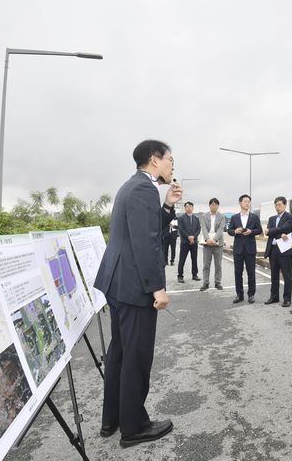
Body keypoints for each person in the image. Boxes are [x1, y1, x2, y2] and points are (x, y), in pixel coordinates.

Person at [94, 139, 182, 448]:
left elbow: (144, 228)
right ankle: (134, 427)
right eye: (170, 159)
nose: (173, 165)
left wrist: (168, 205)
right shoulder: (144, 189)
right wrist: (157, 288)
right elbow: (147, 242)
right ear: (155, 160)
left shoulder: (131, 186)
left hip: (118, 284)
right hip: (134, 287)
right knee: (136, 357)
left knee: (119, 354)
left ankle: (113, 419)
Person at [228, 194, 262, 303]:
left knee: (251, 272)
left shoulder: (254, 217)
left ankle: (251, 294)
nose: (247, 203)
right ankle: (239, 295)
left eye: (249, 202)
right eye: (245, 201)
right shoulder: (234, 217)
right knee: (238, 273)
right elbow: (229, 230)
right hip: (238, 248)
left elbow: (259, 230)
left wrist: (251, 232)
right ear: (240, 203)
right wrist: (235, 232)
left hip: (250, 248)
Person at [263, 196, 292, 307]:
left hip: (284, 250)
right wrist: (279, 234)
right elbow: (268, 233)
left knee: (287, 275)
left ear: (285, 205)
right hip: (273, 250)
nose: (278, 207)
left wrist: (272, 231)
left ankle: (287, 299)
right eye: (276, 205)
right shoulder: (272, 218)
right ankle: (274, 297)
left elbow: (287, 228)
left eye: (280, 205)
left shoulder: (290, 217)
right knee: (274, 275)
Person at [199, 198, 227, 291]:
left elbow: (221, 229)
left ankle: (217, 283)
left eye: (216, 204)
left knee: (218, 264)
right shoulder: (204, 216)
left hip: (218, 243)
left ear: (218, 206)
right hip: (207, 243)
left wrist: (215, 239)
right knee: (206, 264)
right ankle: (205, 283)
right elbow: (203, 228)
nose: (214, 206)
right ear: (209, 205)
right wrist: (207, 239)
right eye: (212, 204)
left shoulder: (222, 216)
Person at [177, 202, 201, 283]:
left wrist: (193, 237)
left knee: (194, 259)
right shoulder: (181, 218)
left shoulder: (196, 218)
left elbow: (198, 229)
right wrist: (188, 237)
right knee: (182, 259)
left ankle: (195, 274)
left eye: (190, 206)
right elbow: (181, 229)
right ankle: (180, 275)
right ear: (185, 208)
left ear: (193, 208)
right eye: (187, 206)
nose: (189, 208)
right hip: (185, 242)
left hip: (194, 242)